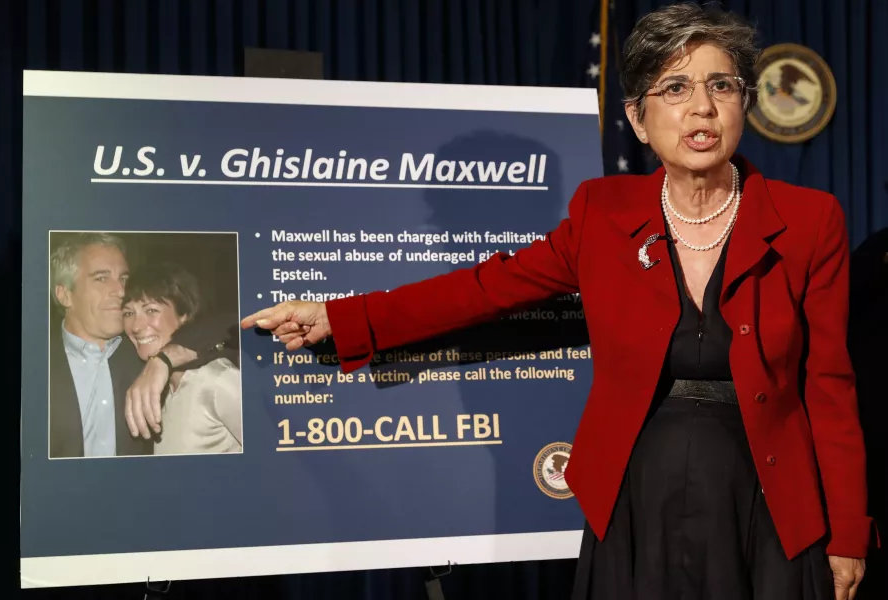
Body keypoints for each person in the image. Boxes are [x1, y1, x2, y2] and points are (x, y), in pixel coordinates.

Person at [242, 4, 876, 599]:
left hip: (769, 501)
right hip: (635, 492)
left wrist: (848, 531)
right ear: (637, 118)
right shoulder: (603, 214)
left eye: (721, 86)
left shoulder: (809, 219)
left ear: (743, 102)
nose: (701, 109)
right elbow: (483, 289)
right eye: (676, 88)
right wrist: (337, 316)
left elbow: (829, 386)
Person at [49, 232, 236, 458]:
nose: (120, 291)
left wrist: (164, 359)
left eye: (124, 279)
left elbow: (229, 322)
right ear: (65, 295)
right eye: (101, 278)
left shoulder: (145, 351)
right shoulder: (33, 363)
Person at [121, 263, 242, 455]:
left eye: (151, 310)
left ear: (184, 314)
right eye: (128, 313)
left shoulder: (217, 380)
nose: (136, 326)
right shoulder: (162, 387)